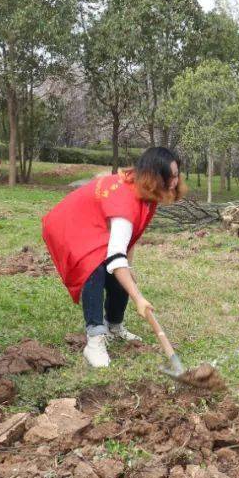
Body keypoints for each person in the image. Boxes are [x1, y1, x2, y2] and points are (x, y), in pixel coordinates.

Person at [41, 147, 186, 367]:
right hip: (69, 226)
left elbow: (128, 242)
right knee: (93, 267)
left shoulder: (145, 194)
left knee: (122, 274)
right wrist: (138, 298)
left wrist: (128, 273)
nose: (175, 182)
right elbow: (116, 255)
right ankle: (95, 339)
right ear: (155, 177)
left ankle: (114, 326)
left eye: (177, 175)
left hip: (94, 225)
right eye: (171, 176)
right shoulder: (125, 202)